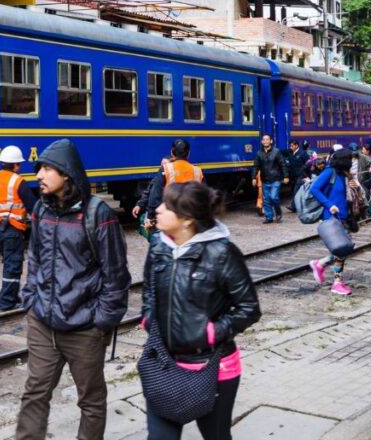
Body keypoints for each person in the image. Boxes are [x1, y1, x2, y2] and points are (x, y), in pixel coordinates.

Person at [16, 139, 131, 440]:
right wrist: (31, 298)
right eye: (38, 168)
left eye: (46, 168)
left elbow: (116, 275)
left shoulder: (97, 214)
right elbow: (36, 258)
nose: (38, 175)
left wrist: (101, 322)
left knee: (90, 400)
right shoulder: (41, 210)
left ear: (66, 173)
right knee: (34, 393)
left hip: (84, 327)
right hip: (43, 321)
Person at [141, 181, 261, 439]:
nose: (158, 210)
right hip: (164, 366)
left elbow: (249, 308)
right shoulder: (158, 246)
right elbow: (149, 291)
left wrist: (212, 332)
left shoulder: (223, 253)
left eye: (167, 206)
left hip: (213, 369)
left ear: (186, 219)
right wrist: (149, 318)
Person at [0, 144, 37, 312]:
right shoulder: (18, 181)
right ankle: (7, 303)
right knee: (13, 265)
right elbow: (32, 206)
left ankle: (12, 297)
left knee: (9, 262)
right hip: (12, 228)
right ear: (15, 165)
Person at [309, 149, 356, 296]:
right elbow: (314, 189)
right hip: (332, 217)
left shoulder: (344, 174)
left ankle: (320, 264)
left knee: (342, 249)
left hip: (343, 217)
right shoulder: (330, 172)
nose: (352, 162)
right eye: (349, 159)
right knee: (341, 250)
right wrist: (330, 205)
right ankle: (337, 283)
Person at [132, 139, 204, 228]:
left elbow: (155, 195)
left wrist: (151, 217)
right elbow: (203, 198)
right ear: (188, 154)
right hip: (191, 218)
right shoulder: (198, 171)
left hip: (171, 218)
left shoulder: (166, 170)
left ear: (172, 153)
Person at [252, 134, 288, 224]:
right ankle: (269, 217)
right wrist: (254, 178)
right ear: (261, 142)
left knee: (274, 197)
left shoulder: (276, 152)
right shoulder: (259, 153)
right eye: (263, 140)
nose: (265, 141)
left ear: (271, 141)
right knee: (266, 199)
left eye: (267, 139)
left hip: (276, 179)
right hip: (265, 180)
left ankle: (278, 213)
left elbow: (282, 164)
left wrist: (286, 176)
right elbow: (256, 166)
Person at [284, 140, 309, 213]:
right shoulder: (290, 152)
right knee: (294, 190)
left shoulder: (303, 153)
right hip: (293, 175)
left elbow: (308, 163)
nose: (290, 147)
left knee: (296, 190)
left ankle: (293, 206)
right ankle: (299, 206)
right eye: (290, 146)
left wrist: (306, 174)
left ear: (296, 145)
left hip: (301, 175)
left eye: (292, 146)